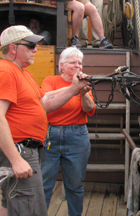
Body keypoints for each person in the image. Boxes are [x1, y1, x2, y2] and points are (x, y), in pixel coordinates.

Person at [0, 25, 90, 216]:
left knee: (10, 202)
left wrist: (74, 89)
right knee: (29, 206)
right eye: (31, 45)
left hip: (25, 147)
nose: (36, 49)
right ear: (13, 48)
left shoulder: (22, 73)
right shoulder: (4, 72)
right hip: (18, 149)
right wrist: (16, 160)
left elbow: (43, 104)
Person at [40, 46, 95, 216]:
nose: (77, 65)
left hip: (76, 136)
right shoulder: (50, 80)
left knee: (75, 185)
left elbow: (89, 109)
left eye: (80, 63)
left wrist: (84, 92)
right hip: (51, 135)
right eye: (73, 62)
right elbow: (45, 102)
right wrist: (72, 89)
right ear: (62, 65)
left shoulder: (84, 83)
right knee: (44, 184)